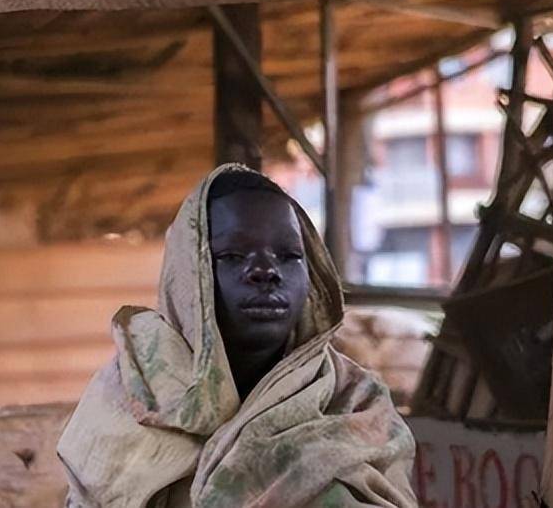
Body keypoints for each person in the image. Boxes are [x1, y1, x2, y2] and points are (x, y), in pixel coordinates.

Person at [58, 164, 418, 508]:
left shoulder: (355, 402)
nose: (266, 271)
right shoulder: (129, 394)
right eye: (232, 255)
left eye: (289, 255)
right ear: (188, 275)